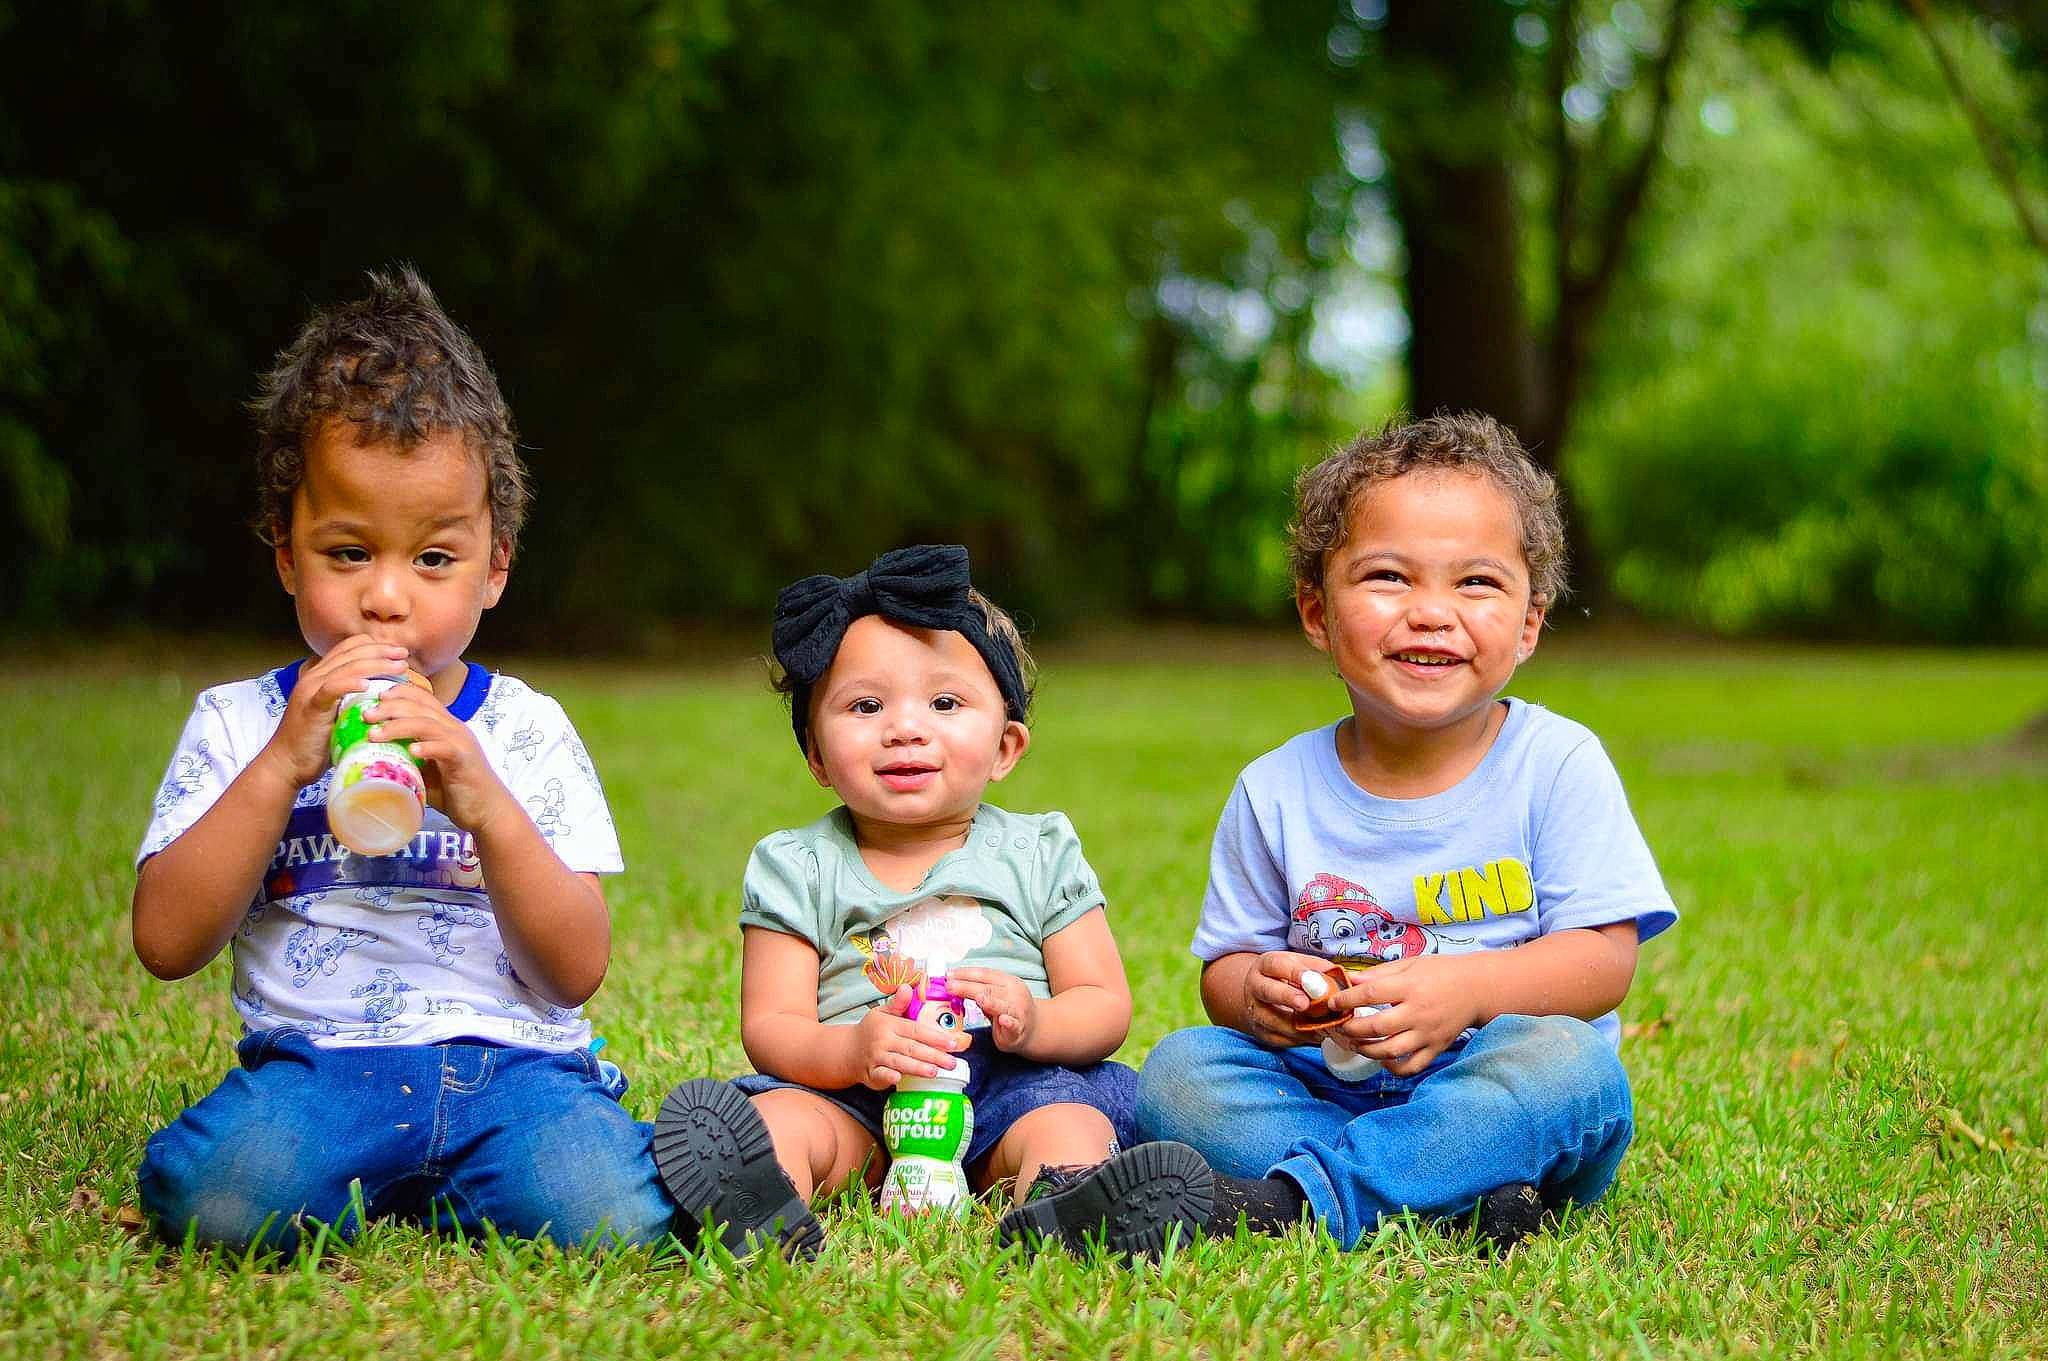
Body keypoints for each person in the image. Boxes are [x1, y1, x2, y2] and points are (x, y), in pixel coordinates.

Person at [1001, 412, 1677, 1258]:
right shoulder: (1276, 789)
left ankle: (1287, 1202)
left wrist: (1466, 991)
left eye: (1476, 583)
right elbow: (1228, 972)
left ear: (1530, 624)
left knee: (1570, 1069)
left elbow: (1603, 962)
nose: (1432, 613)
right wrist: (1261, 994)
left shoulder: (1556, 762)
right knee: (1180, 1072)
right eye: (1389, 577)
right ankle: (1461, 1200)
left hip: (1496, 1088)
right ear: (1318, 613)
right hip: (1330, 1090)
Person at [132, 267, 677, 1254]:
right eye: (348, 552)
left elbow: (574, 969)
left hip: (513, 1071)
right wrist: (279, 764)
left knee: (618, 1218)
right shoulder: (239, 722)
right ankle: (380, 1171)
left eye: (433, 558)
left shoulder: (523, 728)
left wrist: (483, 800)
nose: (388, 599)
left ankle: (584, 1158)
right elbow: (167, 940)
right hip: (321, 1066)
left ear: (494, 567)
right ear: (287, 554)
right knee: (220, 1204)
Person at [651, 544, 1137, 1258]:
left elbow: (1104, 1003)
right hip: (857, 1098)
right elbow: (772, 1023)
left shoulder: (1039, 850)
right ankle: (756, 1202)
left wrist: (1033, 1022)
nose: (905, 727)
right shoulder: (797, 864)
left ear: (1006, 745)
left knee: (1068, 1125)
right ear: (816, 754)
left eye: (944, 702)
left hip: (1012, 1089)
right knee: (784, 1116)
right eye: (866, 704)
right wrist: (850, 1049)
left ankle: (1070, 1206)